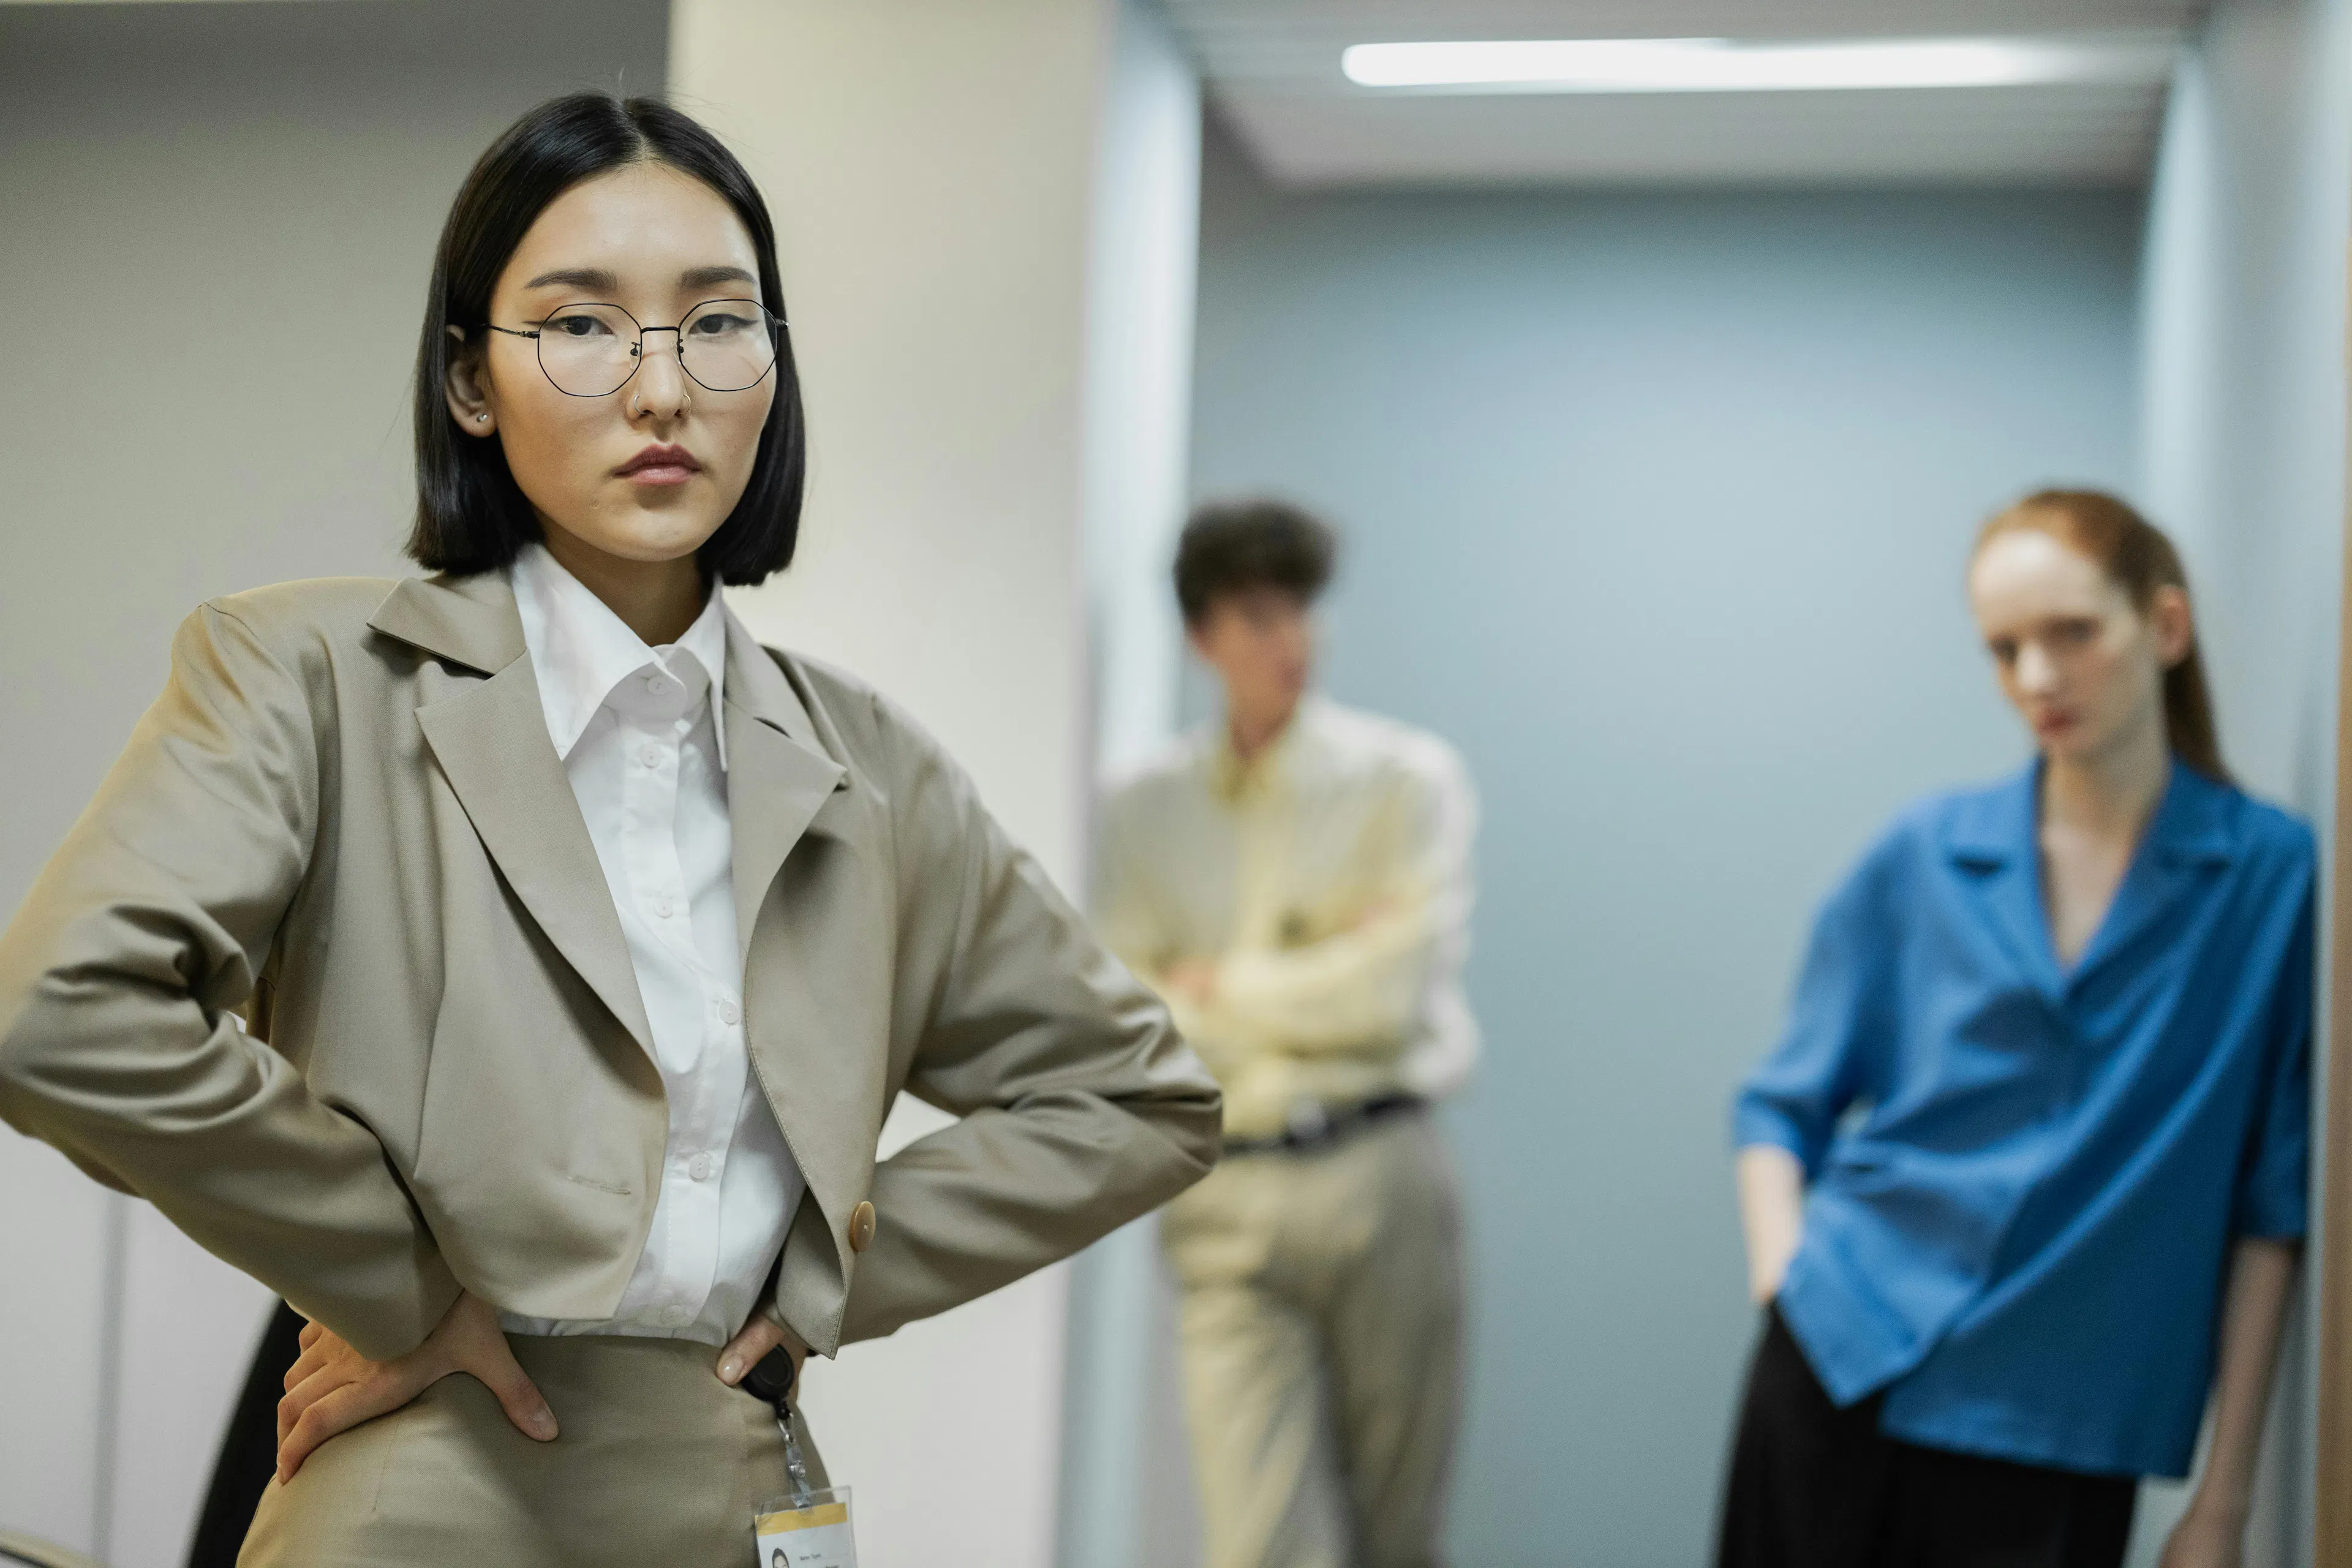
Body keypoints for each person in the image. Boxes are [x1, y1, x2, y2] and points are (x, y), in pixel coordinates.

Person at [0, 94, 1221, 1567]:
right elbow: (59, 1012)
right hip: (432, 1476)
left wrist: (825, 1271)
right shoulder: (308, 675)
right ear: (470, 380)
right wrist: (391, 1273)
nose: (662, 390)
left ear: (772, 364)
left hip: (742, 1478)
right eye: (581, 326)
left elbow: (1142, 1098)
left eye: (718, 324)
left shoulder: (870, 767)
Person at [1720, 491, 2311, 1568]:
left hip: (2061, 1423)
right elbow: (1779, 1105)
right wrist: (1785, 1286)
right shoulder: (1927, 852)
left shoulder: (2272, 880)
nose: (2037, 679)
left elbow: (2275, 1202)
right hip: (1841, 1359)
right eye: (2005, 649)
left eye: (2072, 634)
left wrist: (2224, 1503)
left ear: (2165, 630)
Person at [1094, 499, 1477, 1568]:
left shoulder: (1405, 781)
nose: (1292, 642)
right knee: (1254, 1546)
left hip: (1381, 1178)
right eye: (1261, 617)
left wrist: (1214, 988)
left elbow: (1389, 1000)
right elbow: (1128, 1017)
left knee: (1397, 1538)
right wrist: (1317, 970)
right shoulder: (1142, 810)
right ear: (1202, 636)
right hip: (1225, 1192)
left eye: (1304, 612)